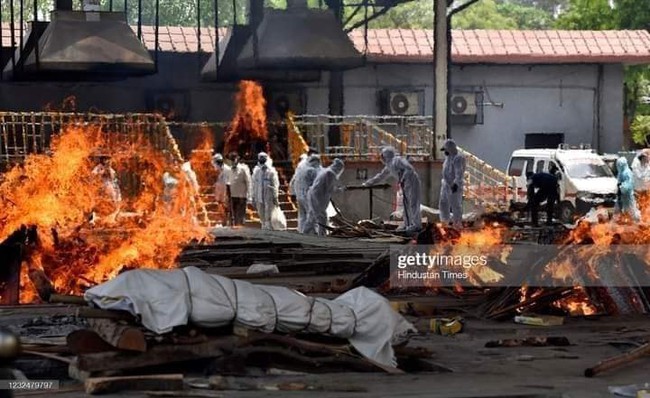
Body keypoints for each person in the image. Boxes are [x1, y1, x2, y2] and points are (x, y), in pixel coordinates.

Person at [363, 146, 422, 233]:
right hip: (405, 183)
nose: (381, 158)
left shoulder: (397, 160)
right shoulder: (389, 165)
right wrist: (368, 183)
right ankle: (408, 224)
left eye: (382, 155)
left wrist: (403, 179)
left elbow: (409, 168)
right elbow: (380, 176)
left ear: (386, 155)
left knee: (413, 203)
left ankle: (416, 225)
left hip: (412, 181)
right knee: (406, 205)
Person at [306, 158, 345, 236]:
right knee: (322, 218)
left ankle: (305, 233)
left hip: (314, 196)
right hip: (317, 198)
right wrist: (340, 190)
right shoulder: (330, 174)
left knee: (312, 217)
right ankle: (322, 236)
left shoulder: (326, 171)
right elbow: (329, 189)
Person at [439, 139, 466, 229]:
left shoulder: (458, 158)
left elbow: (459, 173)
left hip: (454, 186)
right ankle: (444, 223)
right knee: (443, 204)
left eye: (446, 150)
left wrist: (455, 184)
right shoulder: (448, 158)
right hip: (446, 185)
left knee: (455, 205)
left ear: (450, 149)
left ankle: (457, 225)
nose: (445, 152)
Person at [291, 154, 321, 233]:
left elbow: (293, 181)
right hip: (307, 196)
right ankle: (313, 232)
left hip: (299, 195)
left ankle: (301, 231)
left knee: (302, 216)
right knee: (312, 215)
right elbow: (317, 184)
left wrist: (293, 193)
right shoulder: (312, 170)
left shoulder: (301, 169)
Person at [252, 152, 281, 230]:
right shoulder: (256, 171)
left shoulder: (271, 171)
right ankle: (264, 228)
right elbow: (254, 184)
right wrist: (253, 197)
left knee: (268, 214)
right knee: (261, 215)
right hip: (259, 196)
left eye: (263, 158)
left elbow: (275, 184)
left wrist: (275, 196)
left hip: (269, 196)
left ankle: (269, 229)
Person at [227, 152, 252, 226]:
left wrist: (249, 195)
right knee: (232, 216)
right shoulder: (229, 169)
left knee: (240, 216)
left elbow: (248, 182)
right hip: (232, 196)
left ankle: (241, 232)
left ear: (237, 159)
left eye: (233, 159)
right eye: (230, 160)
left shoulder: (243, 169)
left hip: (241, 196)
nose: (232, 161)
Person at [615, 157, 641, 222]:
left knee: (631, 207)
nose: (618, 166)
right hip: (622, 195)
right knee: (621, 208)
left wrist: (621, 187)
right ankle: (621, 220)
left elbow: (628, 184)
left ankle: (637, 220)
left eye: (620, 164)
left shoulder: (627, 172)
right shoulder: (621, 172)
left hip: (628, 194)